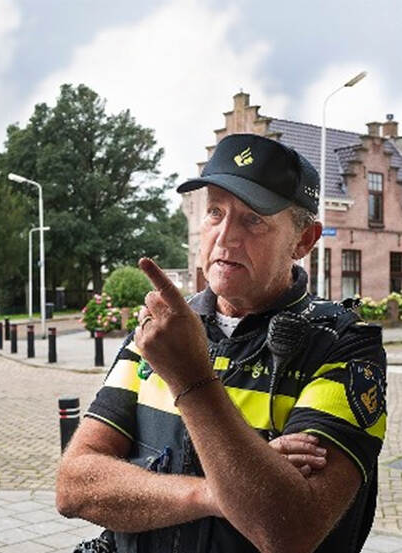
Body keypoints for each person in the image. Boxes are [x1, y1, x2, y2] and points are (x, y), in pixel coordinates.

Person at [57, 134, 386, 553]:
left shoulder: (343, 346)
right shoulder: (163, 331)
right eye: (215, 211)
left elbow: (288, 530)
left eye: (253, 220)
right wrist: (216, 495)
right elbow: (75, 486)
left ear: (303, 241)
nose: (225, 237)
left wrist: (191, 380)